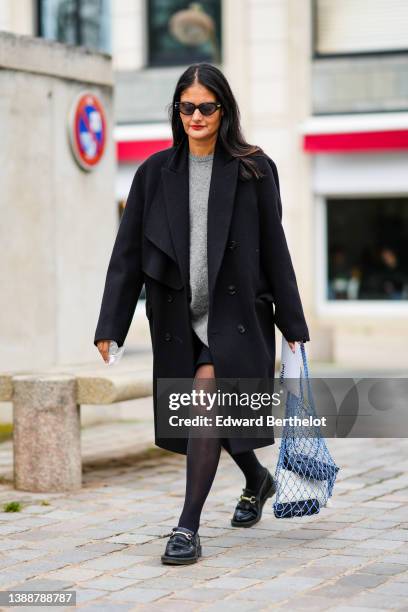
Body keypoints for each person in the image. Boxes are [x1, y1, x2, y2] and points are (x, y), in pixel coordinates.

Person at [94, 63, 310, 565]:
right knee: (210, 414)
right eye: (186, 107)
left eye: (206, 107)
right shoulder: (153, 174)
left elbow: (276, 249)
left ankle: (186, 526)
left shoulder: (255, 168)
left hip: (235, 316)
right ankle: (257, 478)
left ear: (224, 110)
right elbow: (125, 257)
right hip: (177, 321)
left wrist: (293, 325)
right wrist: (111, 326)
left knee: (207, 403)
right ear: (177, 111)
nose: (196, 116)